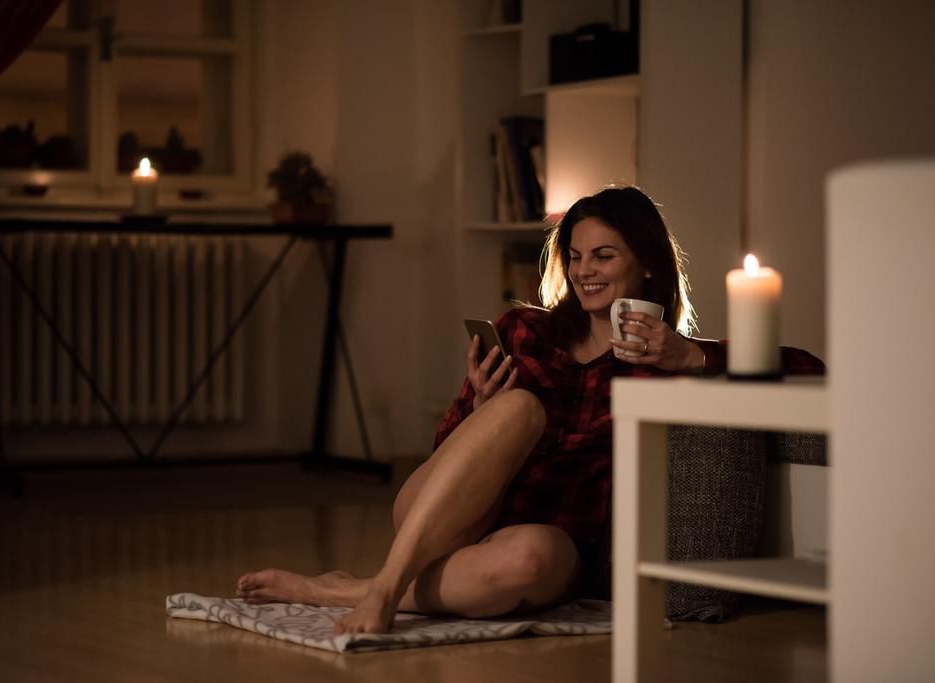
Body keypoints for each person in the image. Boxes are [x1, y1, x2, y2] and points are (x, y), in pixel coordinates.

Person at [236, 186, 732, 634]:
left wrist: (691, 355)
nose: (584, 272)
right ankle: (386, 590)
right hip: (449, 514)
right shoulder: (524, 331)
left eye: (603, 256)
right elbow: (443, 451)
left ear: (647, 262)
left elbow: (803, 366)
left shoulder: (667, 355)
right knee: (518, 407)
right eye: (576, 257)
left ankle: (337, 589)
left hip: (555, 539)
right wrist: (479, 407)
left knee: (528, 559)